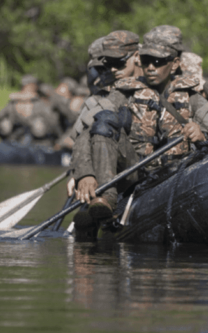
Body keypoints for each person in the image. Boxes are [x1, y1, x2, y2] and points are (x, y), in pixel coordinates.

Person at [69, 30, 166, 237]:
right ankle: (103, 200)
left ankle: (104, 200)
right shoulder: (109, 97)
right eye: (107, 65)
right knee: (103, 123)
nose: (113, 70)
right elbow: (85, 136)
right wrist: (83, 173)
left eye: (119, 63)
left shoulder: (159, 81)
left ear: (136, 58)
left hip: (149, 165)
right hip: (120, 165)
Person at [140, 25, 208, 147]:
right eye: (145, 60)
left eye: (158, 61)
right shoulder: (128, 95)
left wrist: (203, 137)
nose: (150, 68)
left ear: (175, 64)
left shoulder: (192, 98)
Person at [0, 75, 61, 148]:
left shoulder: (39, 103)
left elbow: (53, 123)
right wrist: (4, 129)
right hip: (16, 141)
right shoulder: (13, 104)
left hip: (37, 143)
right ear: (33, 86)